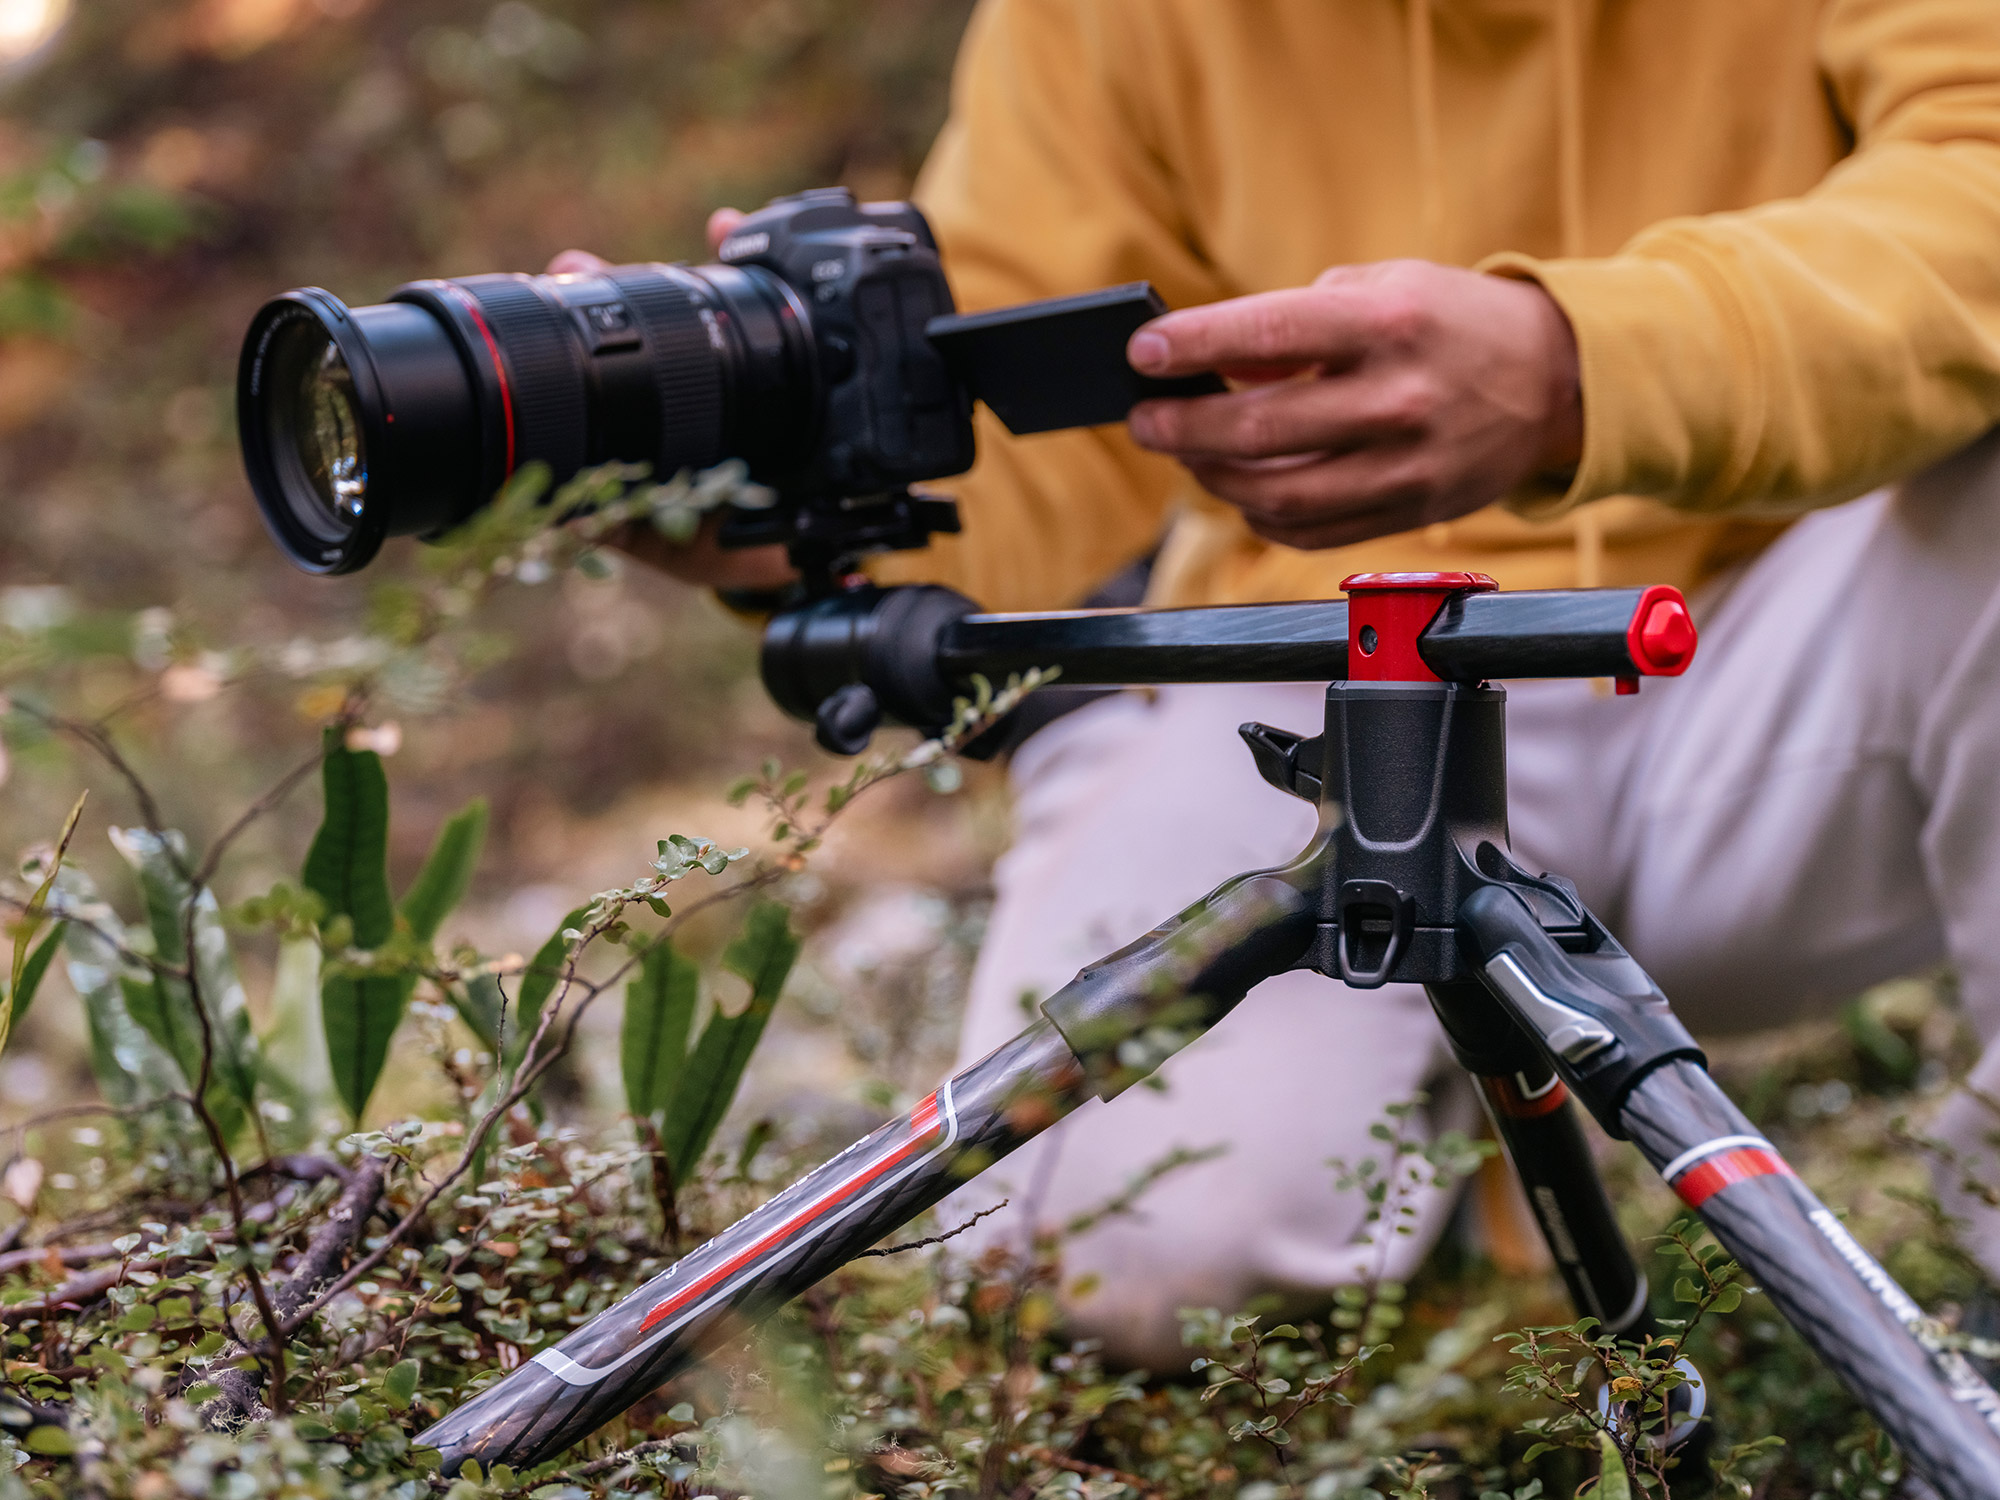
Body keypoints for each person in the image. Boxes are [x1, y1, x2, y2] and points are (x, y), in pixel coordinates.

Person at [570, 0, 2000, 1368]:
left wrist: (1582, 366)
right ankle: (1460, 1220)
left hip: (1781, 653)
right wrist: (765, 507)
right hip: (1315, 695)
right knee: (1112, 1267)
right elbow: (1018, 438)